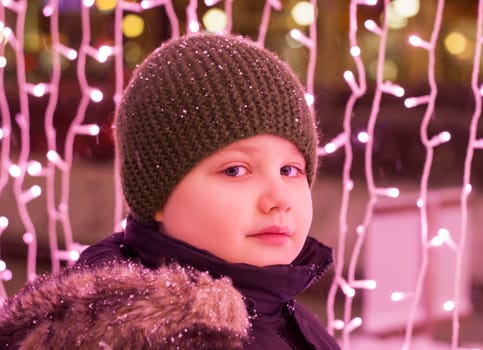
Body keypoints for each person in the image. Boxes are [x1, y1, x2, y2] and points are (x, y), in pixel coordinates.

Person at [0, 33, 340, 349]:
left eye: (290, 170)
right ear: (157, 194)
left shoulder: (284, 315)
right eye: (235, 170)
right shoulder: (139, 336)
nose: (278, 199)